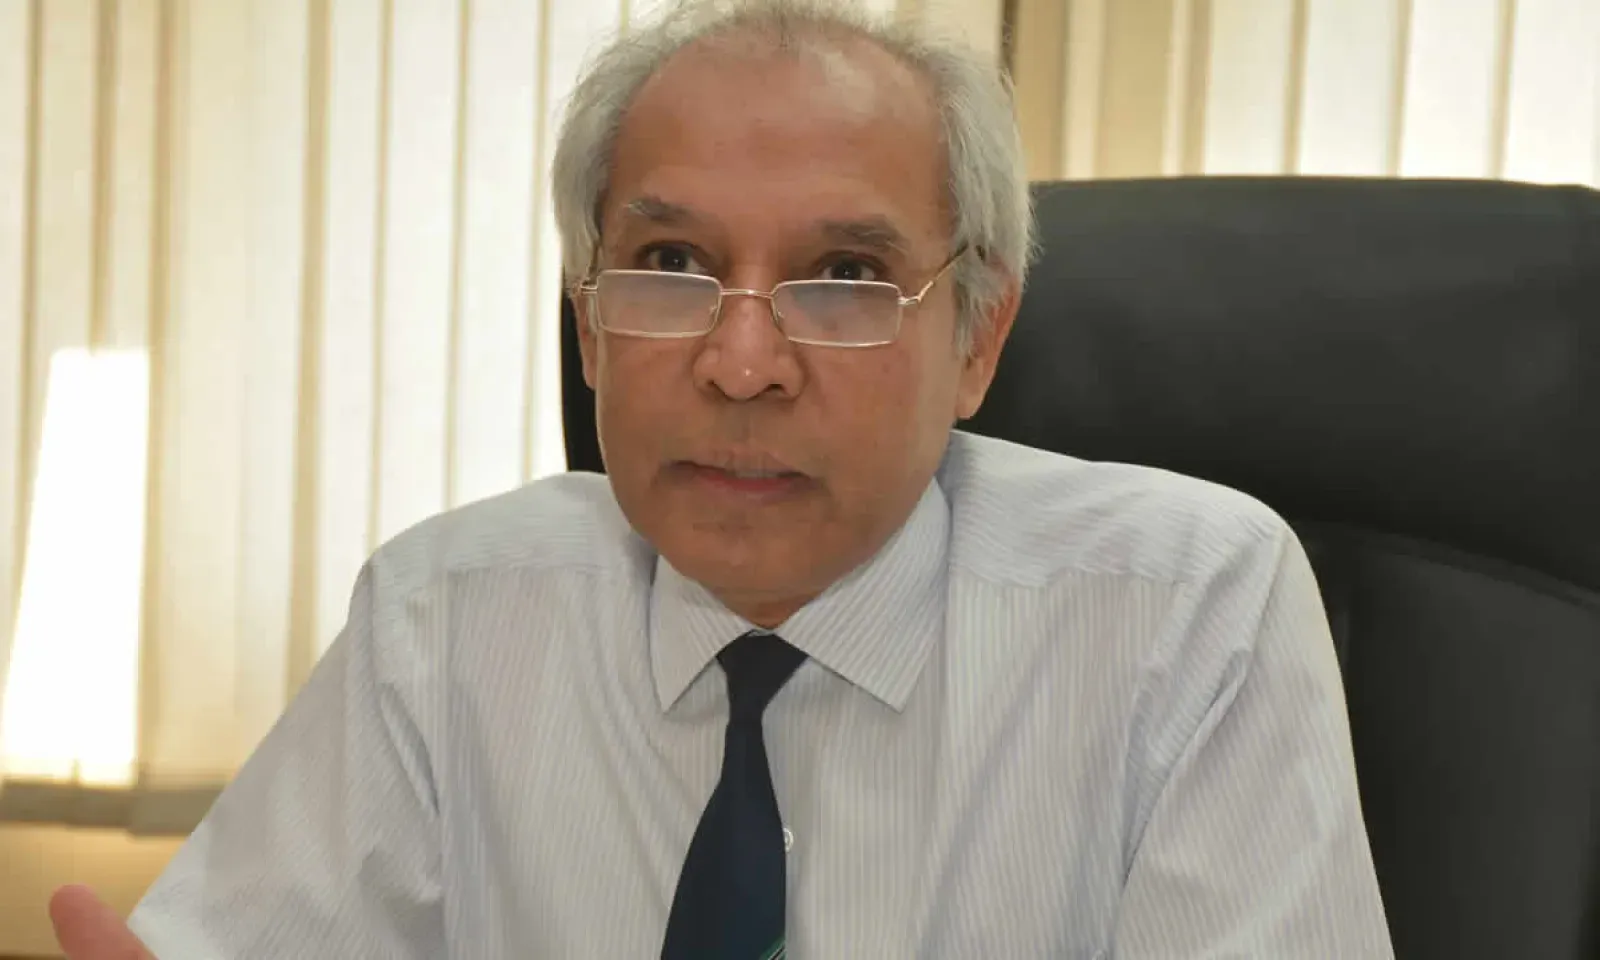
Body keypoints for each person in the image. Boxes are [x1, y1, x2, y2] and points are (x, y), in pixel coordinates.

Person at [49, 0, 1396, 956]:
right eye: (673, 267)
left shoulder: (1186, 611)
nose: (742, 364)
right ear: (589, 327)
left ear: (977, 338)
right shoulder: (446, 614)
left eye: (845, 275)